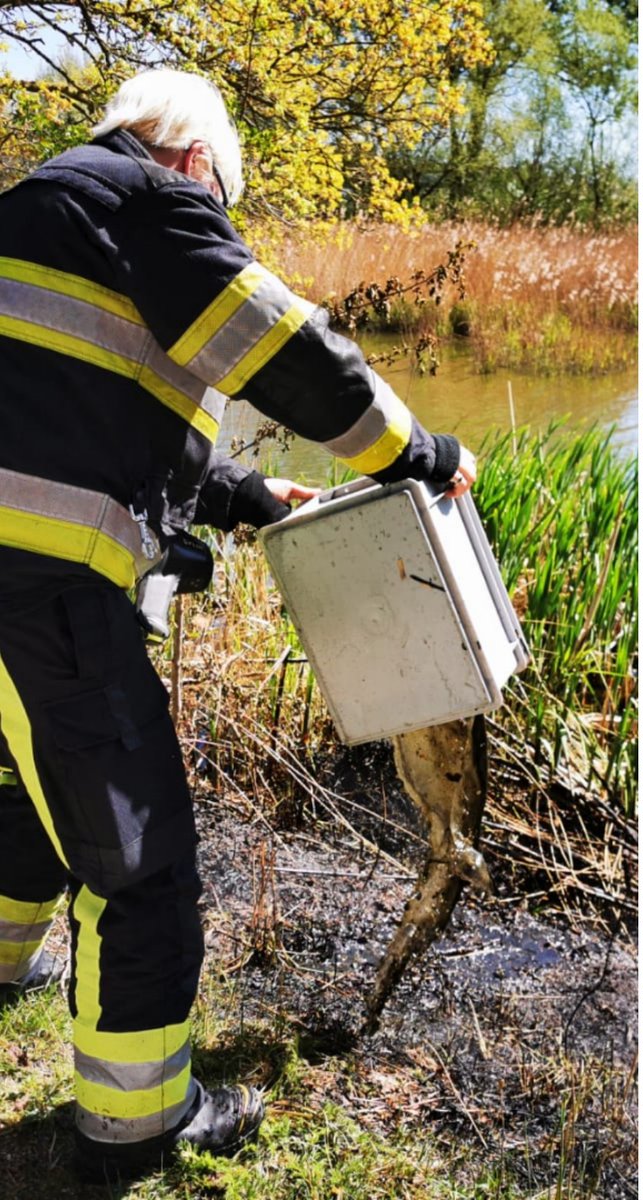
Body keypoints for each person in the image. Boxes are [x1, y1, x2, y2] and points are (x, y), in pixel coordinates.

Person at [0, 68, 476, 1181]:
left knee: (28, 784)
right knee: (139, 855)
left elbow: (97, 408)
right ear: (196, 158)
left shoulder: (38, 209)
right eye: (223, 191)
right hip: (42, 589)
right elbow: (289, 353)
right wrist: (424, 455)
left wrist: (254, 500)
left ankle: (7, 963)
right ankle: (139, 1121)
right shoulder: (153, 206)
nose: (220, 211)